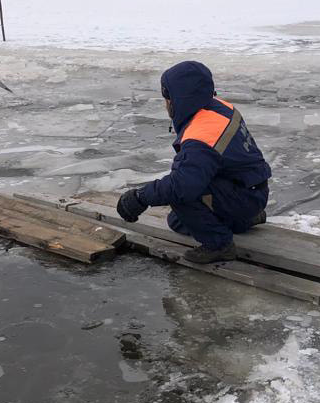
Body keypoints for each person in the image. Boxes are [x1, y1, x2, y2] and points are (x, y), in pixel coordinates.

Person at [116, 61, 271, 263]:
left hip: (244, 195)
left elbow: (182, 185)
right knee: (177, 221)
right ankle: (244, 219)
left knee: (181, 194)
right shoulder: (219, 107)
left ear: (176, 99)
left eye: (166, 97)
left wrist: (140, 197)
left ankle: (220, 245)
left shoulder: (202, 133)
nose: (165, 103)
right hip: (251, 188)